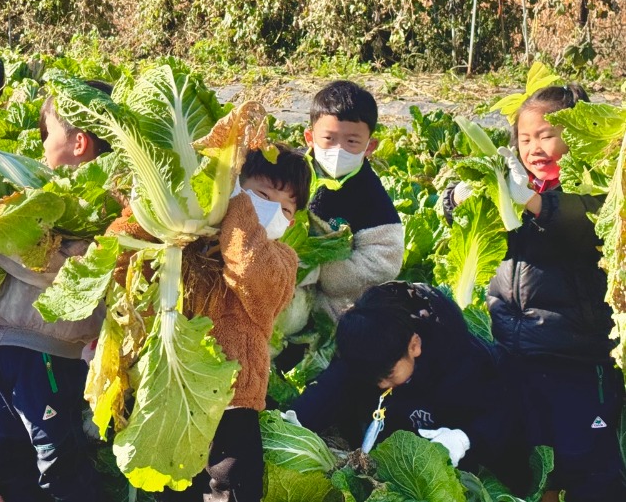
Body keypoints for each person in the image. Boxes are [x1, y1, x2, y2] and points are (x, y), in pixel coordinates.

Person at [446, 84, 626, 502]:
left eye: (546, 135)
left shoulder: (601, 188)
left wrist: (531, 202)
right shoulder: (514, 185)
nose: (534, 147)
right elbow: (456, 210)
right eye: (525, 139)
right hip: (515, 350)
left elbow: (582, 224)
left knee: (587, 460)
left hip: (578, 358)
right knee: (532, 457)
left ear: (580, 136)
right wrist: (459, 196)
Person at [109, 145, 309, 501]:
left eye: (284, 208)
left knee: (232, 483)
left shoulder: (281, 260)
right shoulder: (186, 241)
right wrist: (150, 209)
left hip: (235, 394)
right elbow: (122, 256)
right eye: (261, 195)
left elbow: (248, 269)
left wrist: (238, 206)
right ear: (235, 185)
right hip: (173, 381)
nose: (269, 210)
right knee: (175, 483)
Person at [0, 81, 114, 502]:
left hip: (47, 350)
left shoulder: (107, 204)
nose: (40, 147)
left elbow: (64, 269)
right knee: (8, 451)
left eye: (46, 134)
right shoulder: (38, 190)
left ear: (79, 143)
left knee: (55, 458)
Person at [291, 281, 530, 494]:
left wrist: (464, 439)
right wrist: (293, 421)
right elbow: (334, 385)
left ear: (414, 346)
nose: (381, 385)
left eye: (388, 375)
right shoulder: (368, 346)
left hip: (457, 464)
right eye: (373, 378)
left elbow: (502, 412)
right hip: (388, 461)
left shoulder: (464, 363)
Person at [304, 81, 403, 322]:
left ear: (369, 146)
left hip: (335, 300)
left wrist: (317, 271)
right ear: (309, 137)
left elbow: (383, 260)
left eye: (351, 142)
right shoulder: (289, 173)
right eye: (328, 139)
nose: (338, 150)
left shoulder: (371, 195)